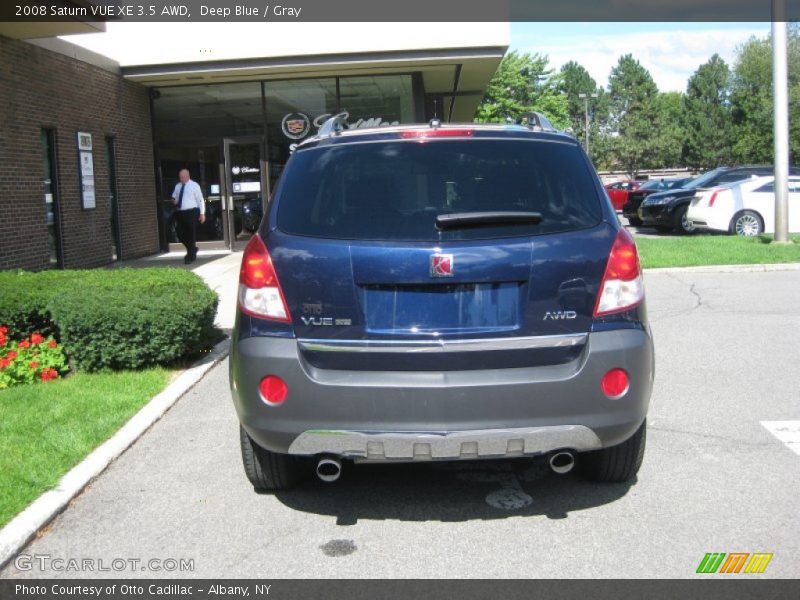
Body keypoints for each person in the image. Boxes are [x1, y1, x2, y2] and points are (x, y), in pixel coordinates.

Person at [171, 168, 206, 264]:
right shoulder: (178, 186)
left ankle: (190, 256)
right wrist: (174, 200)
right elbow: (175, 197)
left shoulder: (194, 185)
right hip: (181, 213)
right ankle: (192, 249)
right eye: (180, 177)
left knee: (191, 234)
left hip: (192, 212)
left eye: (182, 177)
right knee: (180, 232)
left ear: (187, 176)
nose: (181, 179)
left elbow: (200, 200)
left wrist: (202, 213)